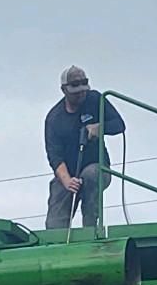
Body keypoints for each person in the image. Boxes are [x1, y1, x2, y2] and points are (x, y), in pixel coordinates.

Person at [43, 65, 124, 230]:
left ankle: (90, 230)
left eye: (83, 89)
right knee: (55, 219)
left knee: (91, 175)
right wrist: (67, 181)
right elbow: (54, 156)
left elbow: (119, 125)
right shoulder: (54, 119)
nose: (81, 93)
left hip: (97, 168)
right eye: (76, 91)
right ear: (64, 90)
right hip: (68, 173)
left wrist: (100, 127)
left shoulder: (95, 99)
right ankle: (56, 244)